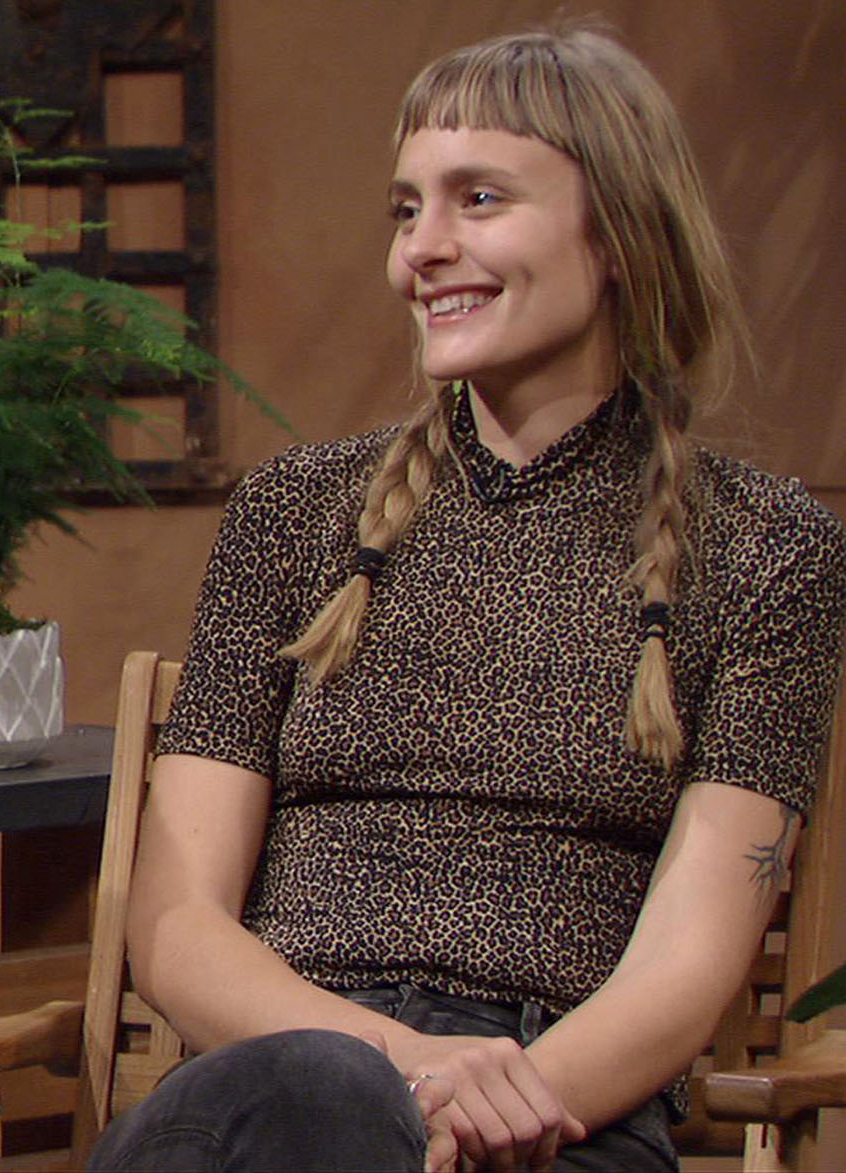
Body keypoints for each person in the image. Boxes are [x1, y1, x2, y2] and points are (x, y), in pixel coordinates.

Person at [88, 28, 846, 1173]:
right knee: (319, 1100)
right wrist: (399, 1071)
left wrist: (477, 1110)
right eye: (406, 211)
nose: (421, 252)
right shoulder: (295, 511)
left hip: (555, 1117)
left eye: (478, 200)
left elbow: (689, 965)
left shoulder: (766, 552)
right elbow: (177, 924)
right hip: (270, 1085)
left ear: (620, 235)